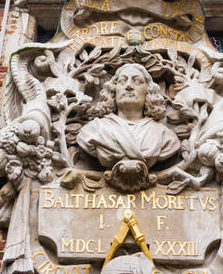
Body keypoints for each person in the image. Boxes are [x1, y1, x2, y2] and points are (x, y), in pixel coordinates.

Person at [77, 63, 180, 191]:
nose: (129, 86)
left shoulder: (165, 136)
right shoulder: (93, 130)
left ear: (148, 92)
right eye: (122, 81)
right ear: (113, 91)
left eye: (137, 81)